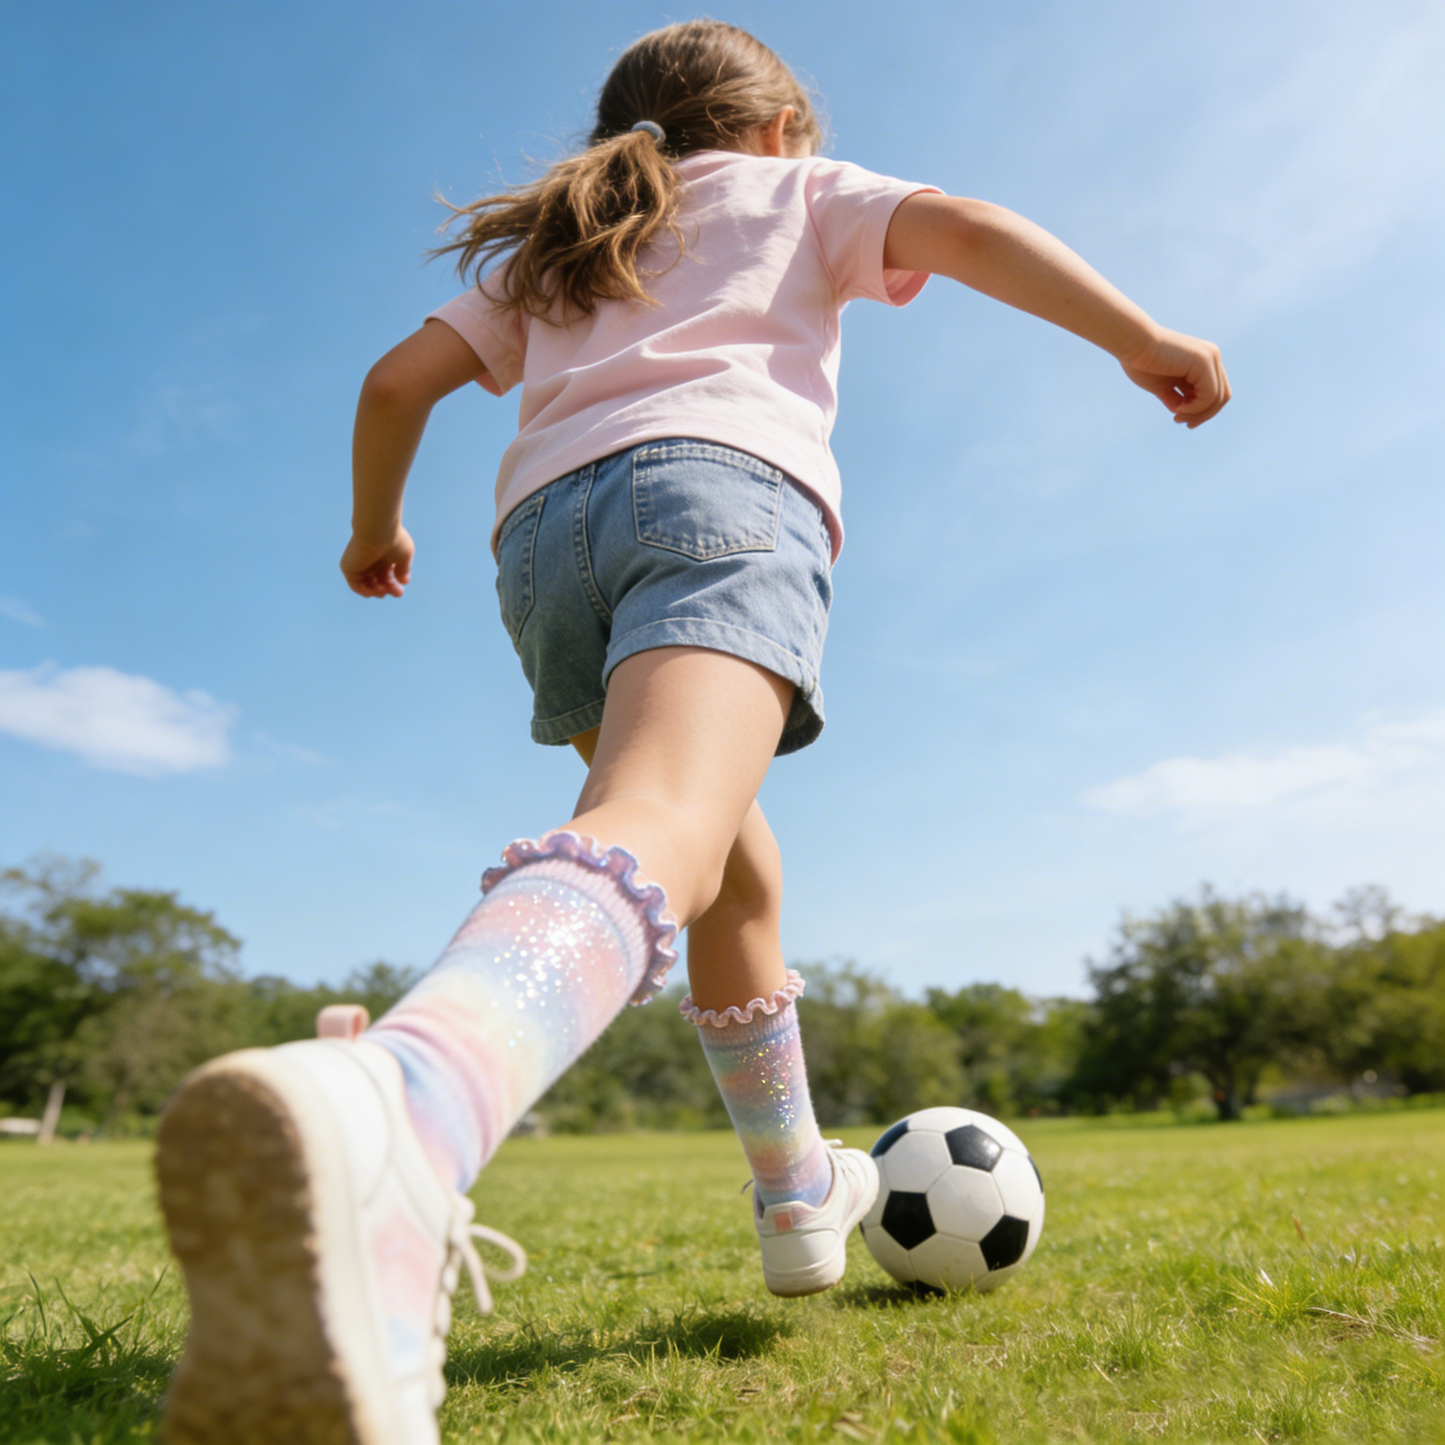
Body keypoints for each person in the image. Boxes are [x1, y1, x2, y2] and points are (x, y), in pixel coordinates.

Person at [154, 18, 1229, 1445]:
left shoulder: (562, 245)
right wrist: (1140, 336)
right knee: (662, 819)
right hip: (719, 496)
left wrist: (373, 531)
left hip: (545, 547)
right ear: (779, 128)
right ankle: (403, 1117)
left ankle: (799, 1199)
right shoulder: (799, 191)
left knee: (734, 866)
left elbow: (391, 386)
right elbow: (963, 227)